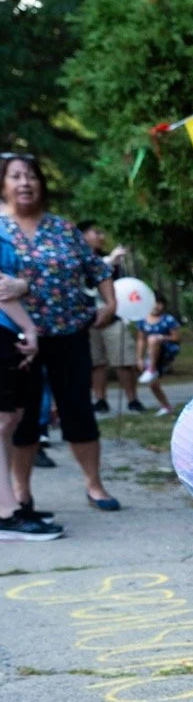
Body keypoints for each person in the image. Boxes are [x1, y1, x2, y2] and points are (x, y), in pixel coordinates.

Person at [0, 152, 121, 515]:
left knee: (78, 409)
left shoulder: (63, 228)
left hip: (70, 332)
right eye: (16, 176)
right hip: (18, 342)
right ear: (3, 185)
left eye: (32, 176)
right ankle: (21, 490)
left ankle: (94, 484)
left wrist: (110, 305)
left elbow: (97, 269)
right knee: (22, 416)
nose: (25, 183)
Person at [1, 217, 62, 539]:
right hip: (6, 328)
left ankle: (10, 504)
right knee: (2, 421)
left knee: (11, 421)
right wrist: (30, 328)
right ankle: (6, 513)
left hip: (7, 330)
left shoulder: (5, 230)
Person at [78, 221, 141, 414]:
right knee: (96, 363)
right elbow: (85, 277)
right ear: (83, 235)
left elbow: (124, 287)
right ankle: (100, 400)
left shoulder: (112, 261)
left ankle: (132, 400)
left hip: (113, 318)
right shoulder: (75, 258)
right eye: (97, 232)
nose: (102, 237)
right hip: (87, 319)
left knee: (123, 360)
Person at [134, 296, 178, 415]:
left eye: (159, 303)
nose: (156, 306)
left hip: (165, 351)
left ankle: (152, 369)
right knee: (153, 383)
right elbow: (141, 340)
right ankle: (166, 406)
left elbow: (176, 337)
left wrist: (162, 337)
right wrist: (139, 358)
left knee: (153, 339)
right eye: (154, 303)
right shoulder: (143, 320)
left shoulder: (168, 320)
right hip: (151, 354)